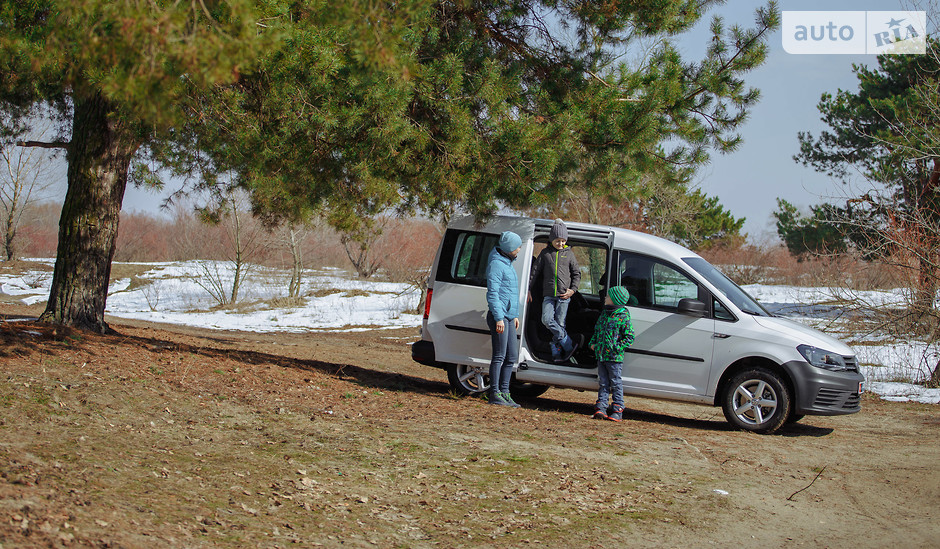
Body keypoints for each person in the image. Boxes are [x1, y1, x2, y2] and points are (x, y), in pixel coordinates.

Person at [528, 218, 581, 362]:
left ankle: (556, 353)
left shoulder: (569, 254)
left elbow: (577, 274)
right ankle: (568, 344)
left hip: (564, 296)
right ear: (551, 240)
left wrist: (572, 290)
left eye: (563, 241)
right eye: (557, 241)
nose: (561, 243)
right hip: (549, 295)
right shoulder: (545, 254)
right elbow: (534, 272)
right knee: (546, 320)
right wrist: (528, 289)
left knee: (560, 324)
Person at [485, 230, 523, 407]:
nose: (519, 249)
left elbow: (510, 293)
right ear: (509, 248)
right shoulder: (496, 265)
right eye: (517, 247)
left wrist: (514, 315)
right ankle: (495, 393)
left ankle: (506, 392)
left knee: (511, 356)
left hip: (508, 317)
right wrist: (499, 317)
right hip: (499, 317)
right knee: (499, 356)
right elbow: (493, 294)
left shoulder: (507, 263)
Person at [588, 285, 635, 422]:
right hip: (601, 355)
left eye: (608, 296)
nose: (605, 298)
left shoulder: (623, 316)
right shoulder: (604, 314)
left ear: (615, 300)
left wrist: (616, 348)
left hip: (614, 357)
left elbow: (629, 337)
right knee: (603, 382)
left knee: (615, 382)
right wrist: (593, 343)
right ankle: (601, 407)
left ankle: (618, 408)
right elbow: (597, 331)